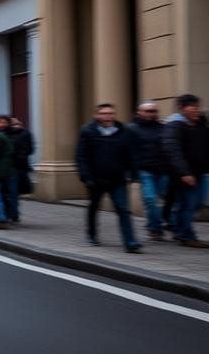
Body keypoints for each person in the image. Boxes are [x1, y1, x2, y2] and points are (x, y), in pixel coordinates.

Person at [74, 103, 140, 252]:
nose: (108, 116)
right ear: (97, 116)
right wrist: (86, 177)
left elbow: (130, 154)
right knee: (94, 207)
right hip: (96, 179)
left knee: (123, 209)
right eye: (104, 113)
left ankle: (130, 242)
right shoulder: (88, 131)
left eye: (111, 113)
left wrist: (133, 173)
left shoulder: (123, 131)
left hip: (117, 179)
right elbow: (81, 156)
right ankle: (91, 234)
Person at [162, 94, 209, 248]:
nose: (197, 110)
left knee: (195, 203)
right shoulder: (175, 125)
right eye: (193, 107)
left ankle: (178, 229)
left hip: (200, 172)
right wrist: (184, 172)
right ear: (183, 109)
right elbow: (172, 150)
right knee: (189, 204)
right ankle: (187, 236)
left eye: (197, 107)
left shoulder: (200, 124)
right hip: (184, 174)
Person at [130, 102, 170, 241]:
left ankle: (160, 225)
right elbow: (128, 151)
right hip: (145, 170)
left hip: (164, 170)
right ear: (139, 113)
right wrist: (132, 172)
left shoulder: (164, 128)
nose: (151, 113)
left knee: (166, 201)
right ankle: (154, 229)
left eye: (153, 111)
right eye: (147, 111)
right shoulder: (132, 129)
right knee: (150, 199)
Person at [5, 116, 35, 224]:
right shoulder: (6, 133)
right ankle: (10, 213)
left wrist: (19, 156)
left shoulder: (25, 133)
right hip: (5, 167)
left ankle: (14, 214)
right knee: (6, 192)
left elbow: (30, 149)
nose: (15, 125)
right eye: (12, 123)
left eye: (16, 122)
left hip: (17, 167)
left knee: (13, 192)